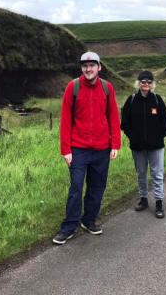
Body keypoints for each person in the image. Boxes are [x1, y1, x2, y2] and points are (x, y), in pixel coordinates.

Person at [53, 51, 121, 245]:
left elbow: (113, 117)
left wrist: (115, 143)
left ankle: (89, 220)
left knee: (97, 187)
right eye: (85, 65)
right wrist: (65, 149)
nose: (88, 69)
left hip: (102, 148)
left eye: (92, 65)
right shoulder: (72, 87)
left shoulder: (107, 88)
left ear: (99, 67)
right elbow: (66, 120)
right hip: (78, 148)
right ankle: (69, 227)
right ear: (81, 68)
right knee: (76, 187)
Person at [120, 70, 166, 218]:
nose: (146, 84)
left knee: (157, 175)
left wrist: (158, 137)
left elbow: (165, 123)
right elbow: (125, 123)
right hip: (138, 147)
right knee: (141, 174)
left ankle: (159, 202)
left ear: (152, 84)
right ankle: (143, 200)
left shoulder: (157, 100)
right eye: (143, 81)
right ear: (138, 83)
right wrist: (133, 137)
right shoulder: (132, 100)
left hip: (156, 147)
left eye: (148, 82)